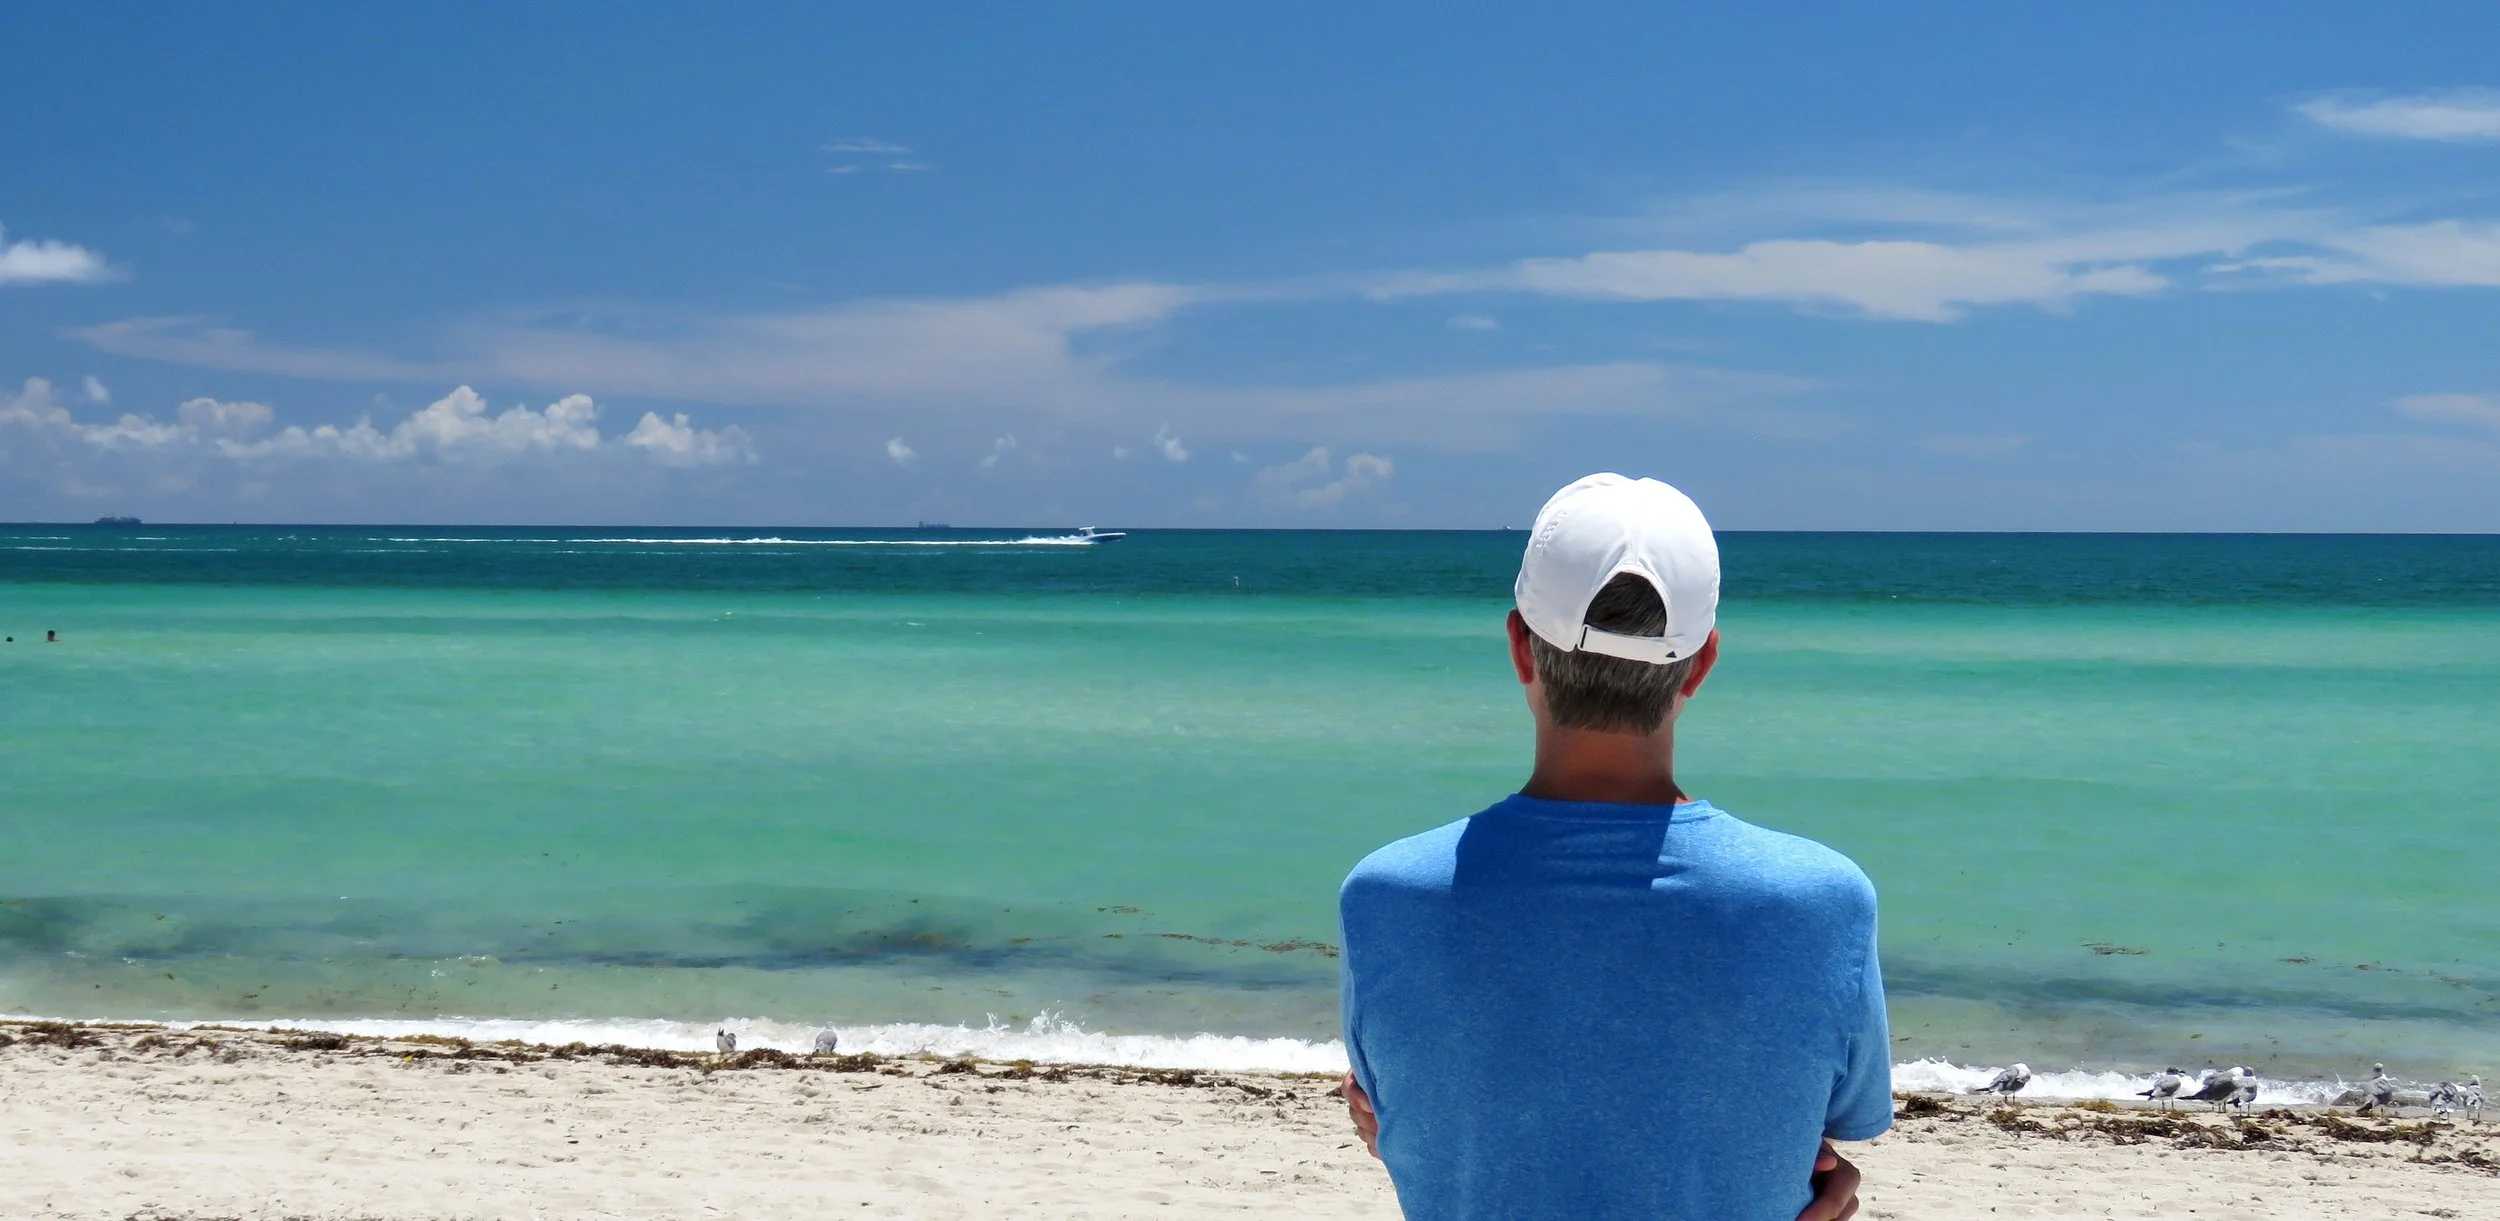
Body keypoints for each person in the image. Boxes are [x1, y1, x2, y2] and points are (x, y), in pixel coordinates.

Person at [1337, 473, 1888, 1221]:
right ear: (1702, 663)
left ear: (1520, 648)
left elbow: (1409, 1118)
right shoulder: (1819, 902)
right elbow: (1825, 1126)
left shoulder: (1386, 896)